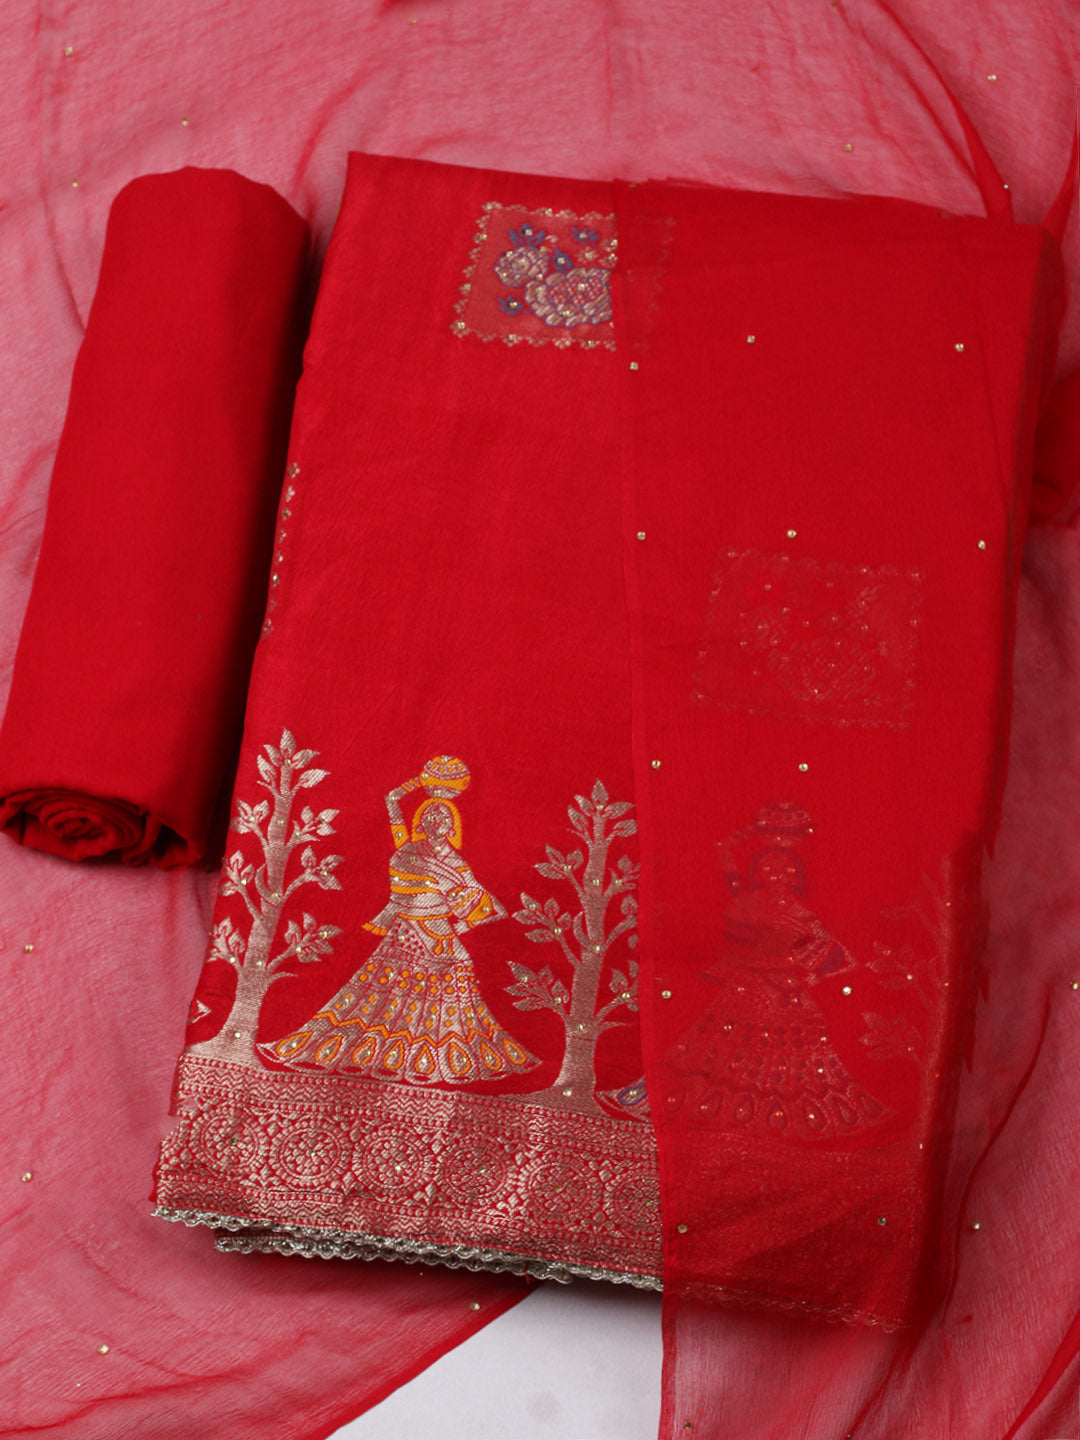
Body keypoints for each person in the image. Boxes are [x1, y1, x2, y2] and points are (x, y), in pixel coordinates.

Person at [264, 755, 539, 1084]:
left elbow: (495, 906)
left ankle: (443, 1058)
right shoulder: (407, 848)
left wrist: (463, 924)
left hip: (441, 934)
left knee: (456, 983)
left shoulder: (457, 865)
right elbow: (391, 799)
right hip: (406, 933)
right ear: (420, 822)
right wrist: (419, 783)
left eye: (442, 815)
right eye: (430, 814)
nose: (435, 818)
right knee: (386, 998)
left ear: (452, 826)